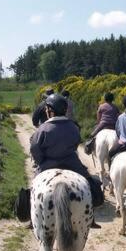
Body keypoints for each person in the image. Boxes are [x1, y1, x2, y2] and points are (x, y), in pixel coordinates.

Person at [30, 93, 103, 228]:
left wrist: (42, 161)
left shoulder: (42, 129)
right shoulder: (73, 126)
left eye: (47, 109)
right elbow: (76, 143)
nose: (46, 111)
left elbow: (35, 149)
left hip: (47, 164)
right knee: (90, 183)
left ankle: (31, 218)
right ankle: (91, 217)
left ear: (51, 111)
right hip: (72, 163)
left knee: (33, 188)